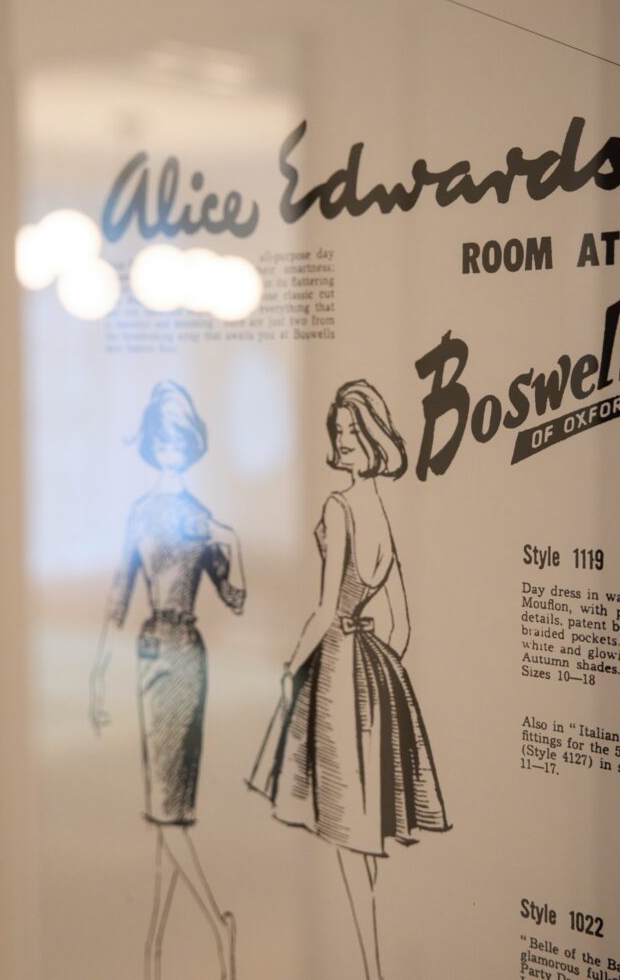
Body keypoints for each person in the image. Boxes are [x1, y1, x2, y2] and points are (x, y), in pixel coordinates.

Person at [249, 379, 449, 980]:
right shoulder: (384, 512)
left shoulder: (340, 507)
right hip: (375, 669)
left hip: (337, 665)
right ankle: (371, 960)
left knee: (345, 827)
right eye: (338, 433)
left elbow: (322, 609)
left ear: (372, 438)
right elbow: (403, 626)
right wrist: (379, 670)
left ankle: (370, 966)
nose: (342, 443)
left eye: (352, 433)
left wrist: (292, 667)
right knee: (363, 829)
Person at [89, 380, 245, 980]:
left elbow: (234, 598)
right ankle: (154, 950)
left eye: (179, 438)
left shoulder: (203, 519)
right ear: (152, 443)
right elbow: (117, 597)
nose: (170, 448)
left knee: (168, 808)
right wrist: (98, 673)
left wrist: (232, 546)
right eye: (162, 438)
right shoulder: (141, 513)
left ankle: (216, 924)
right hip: (149, 650)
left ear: (191, 443)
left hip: (185, 653)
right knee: (164, 807)